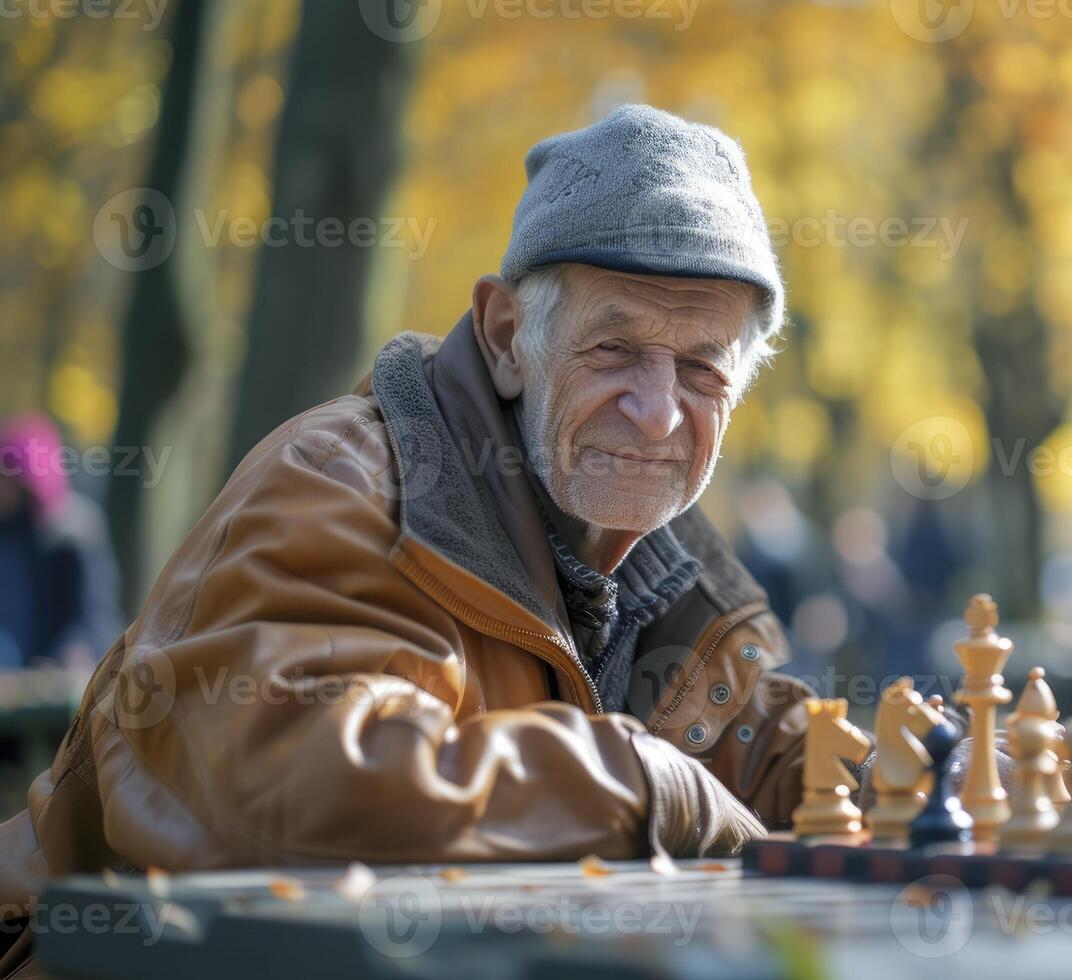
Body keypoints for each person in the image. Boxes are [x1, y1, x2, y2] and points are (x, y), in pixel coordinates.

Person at [0, 107, 818, 929]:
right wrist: (648, 787)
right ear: (506, 337)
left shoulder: (648, 557)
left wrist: (911, 772)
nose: (656, 413)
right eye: (612, 349)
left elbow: (769, 755)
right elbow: (292, 800)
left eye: (700, 368)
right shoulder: (342, 481)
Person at [0, 415, 120, 670]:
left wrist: (77, 647)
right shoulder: (9, 533)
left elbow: (95, 613)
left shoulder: (73, 533)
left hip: (53, 670)